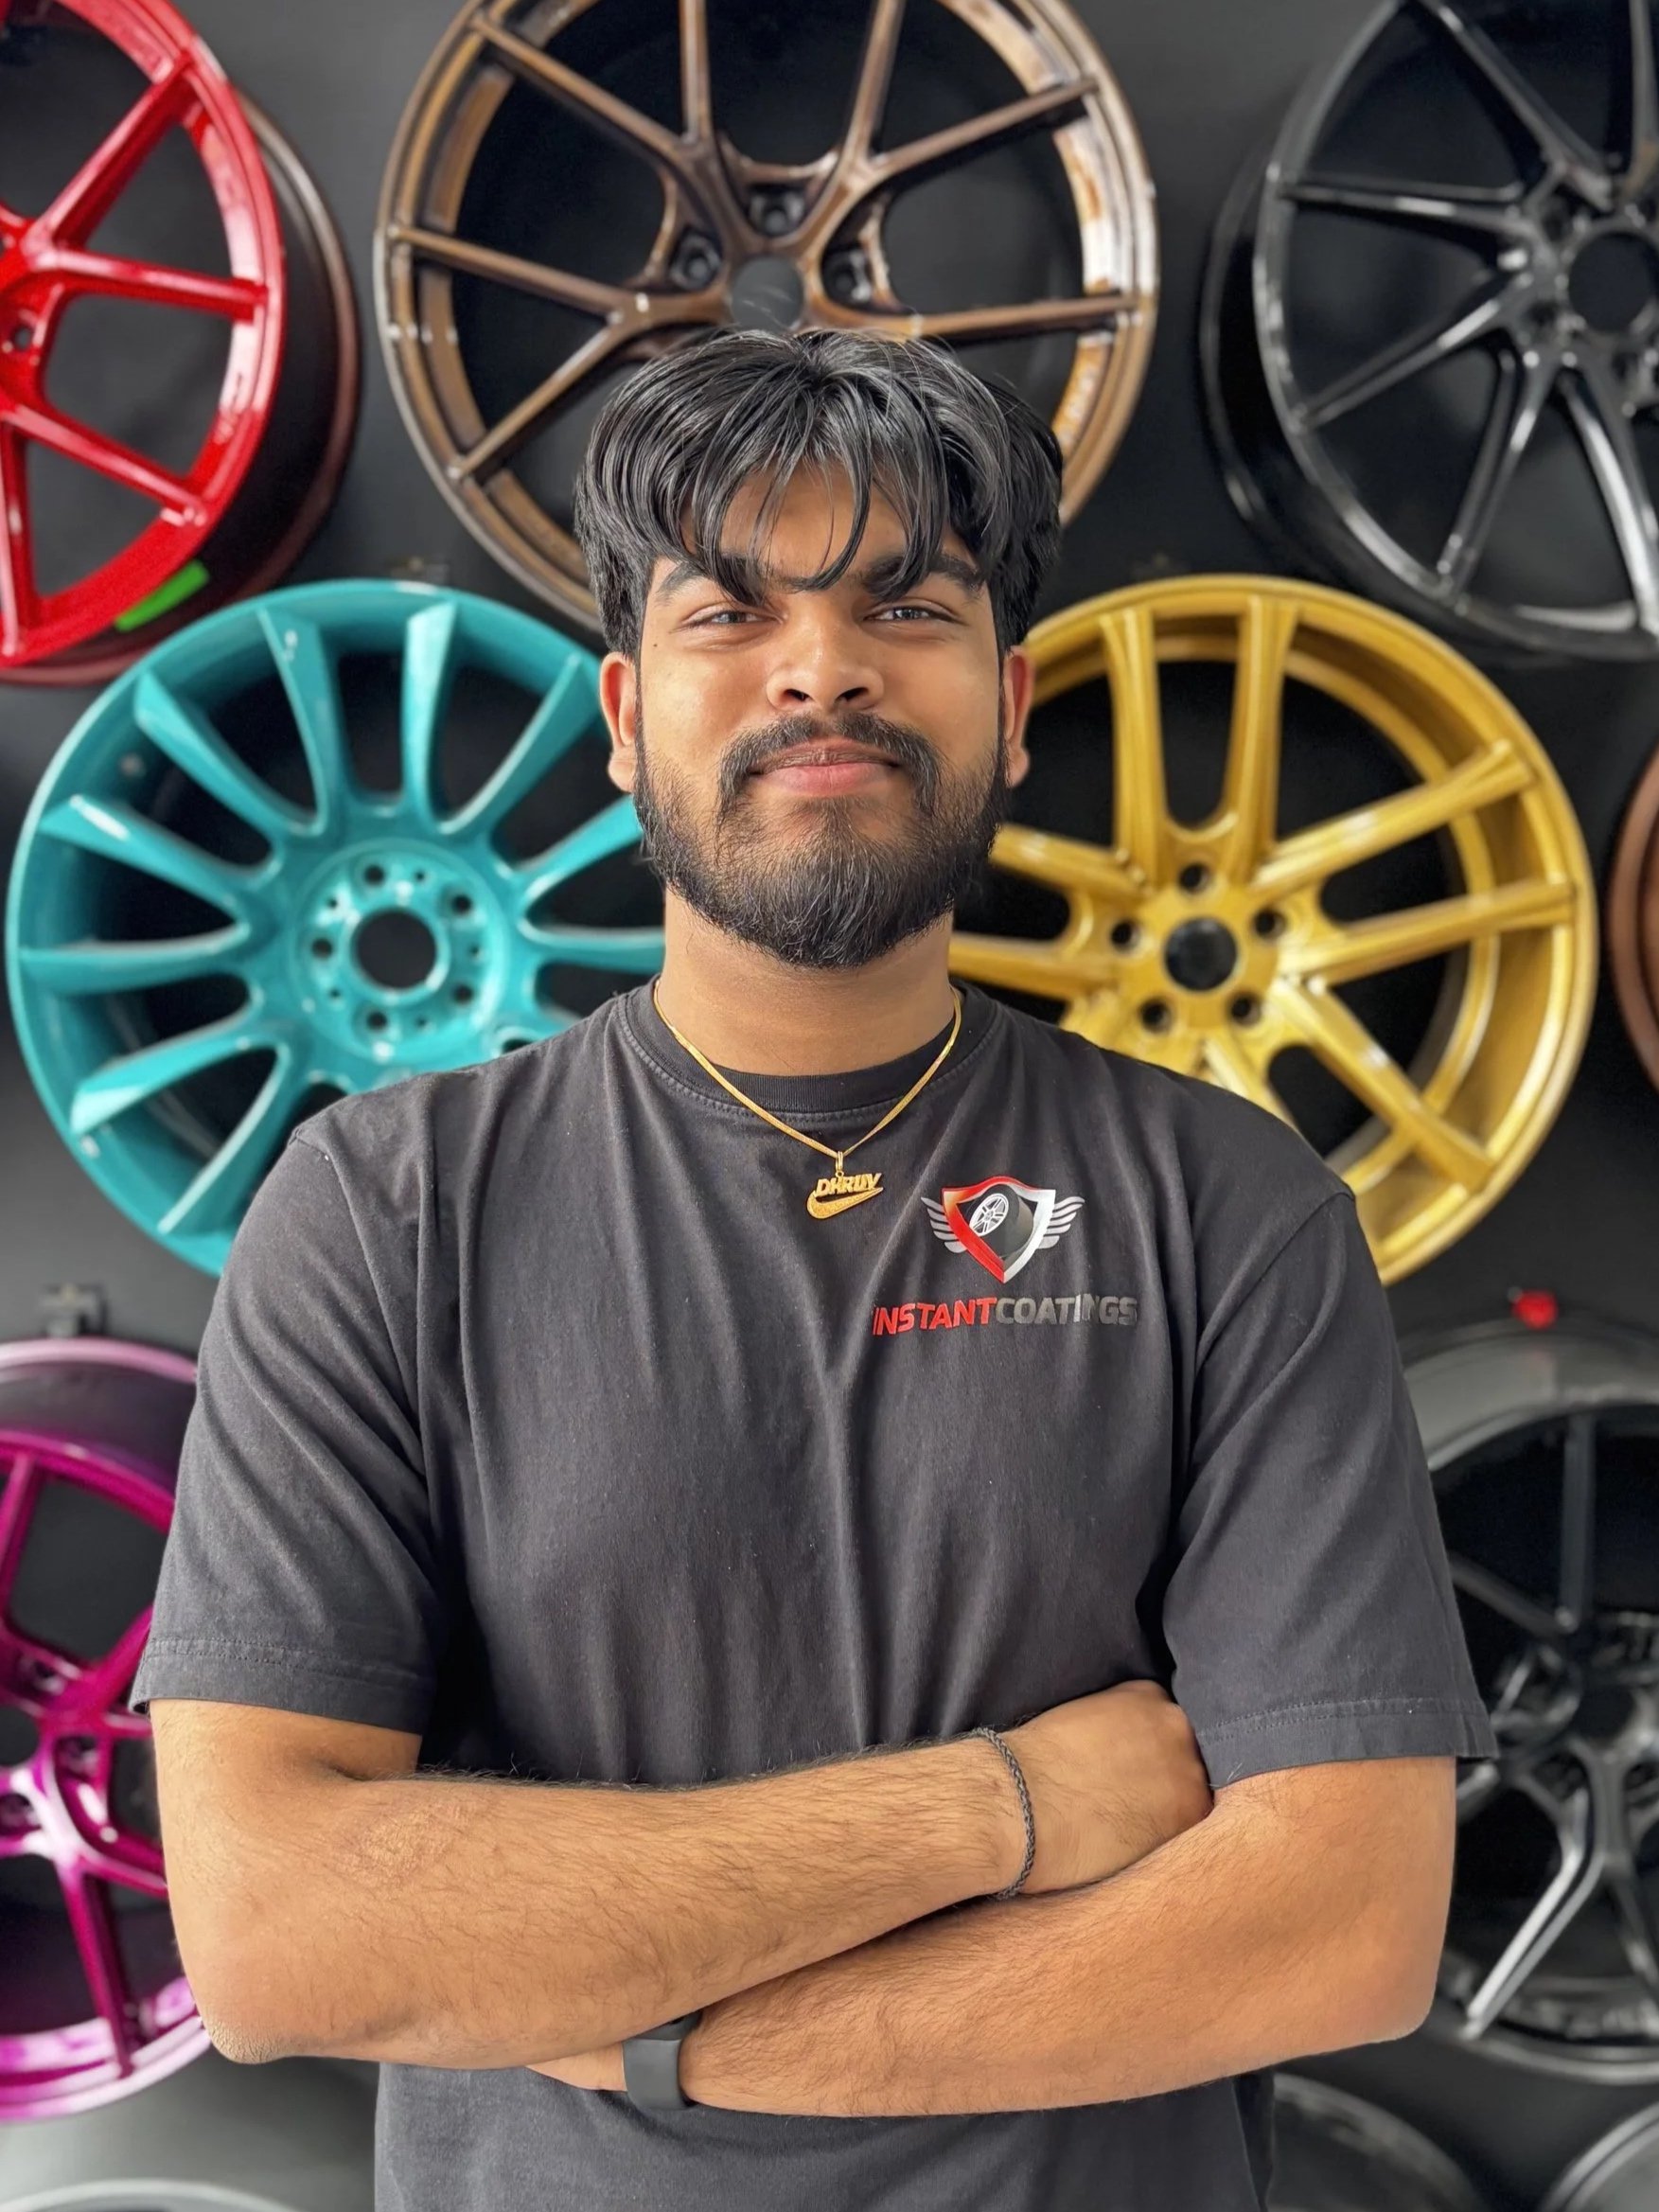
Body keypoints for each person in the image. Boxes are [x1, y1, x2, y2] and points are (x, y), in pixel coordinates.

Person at [132, 326, 1496, 2212]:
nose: (821, 666)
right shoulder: (381, 1215)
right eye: (728, 609)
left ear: (1012, 705)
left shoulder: (1227, 1207)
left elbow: (1334, 1921)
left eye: (904, 602)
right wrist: (1001, 1804)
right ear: (621, 715)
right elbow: (283, 1936)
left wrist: (656, 2027)